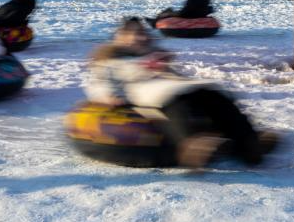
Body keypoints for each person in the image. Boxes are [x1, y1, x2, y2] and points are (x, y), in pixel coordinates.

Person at [86, 17, 277, 168]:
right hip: (144, 92)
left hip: (175, 87)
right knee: (176, 103)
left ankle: (249, 143)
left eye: (144, 33)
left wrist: (170, 71)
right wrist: (109, 97)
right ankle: (192, 144)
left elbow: (175, 77)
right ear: (122, 37)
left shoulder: (152, 54)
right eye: (135, 33)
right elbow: (100, 82)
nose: (142, 37)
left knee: (216, 97)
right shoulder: (111, 59)